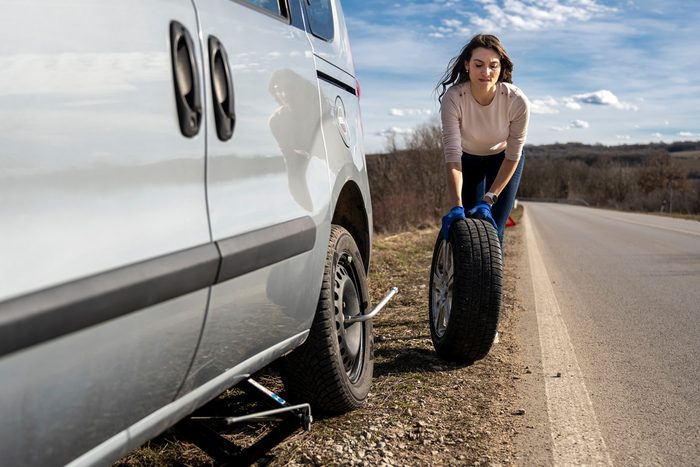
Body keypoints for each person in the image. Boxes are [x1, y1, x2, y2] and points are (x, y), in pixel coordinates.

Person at [437, 34, 530, 246]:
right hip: (467, 160)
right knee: (467, 228)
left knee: (493, 231)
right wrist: (456, 205)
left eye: (493, 66)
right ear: (467, 65)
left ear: (501, 69)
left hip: (503, 160)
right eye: (479, 65)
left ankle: (492, 279)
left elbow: (513, 154)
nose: (486, 72)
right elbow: (453, 156)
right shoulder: (454, 98)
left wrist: (489, 199)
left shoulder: (516, 101)